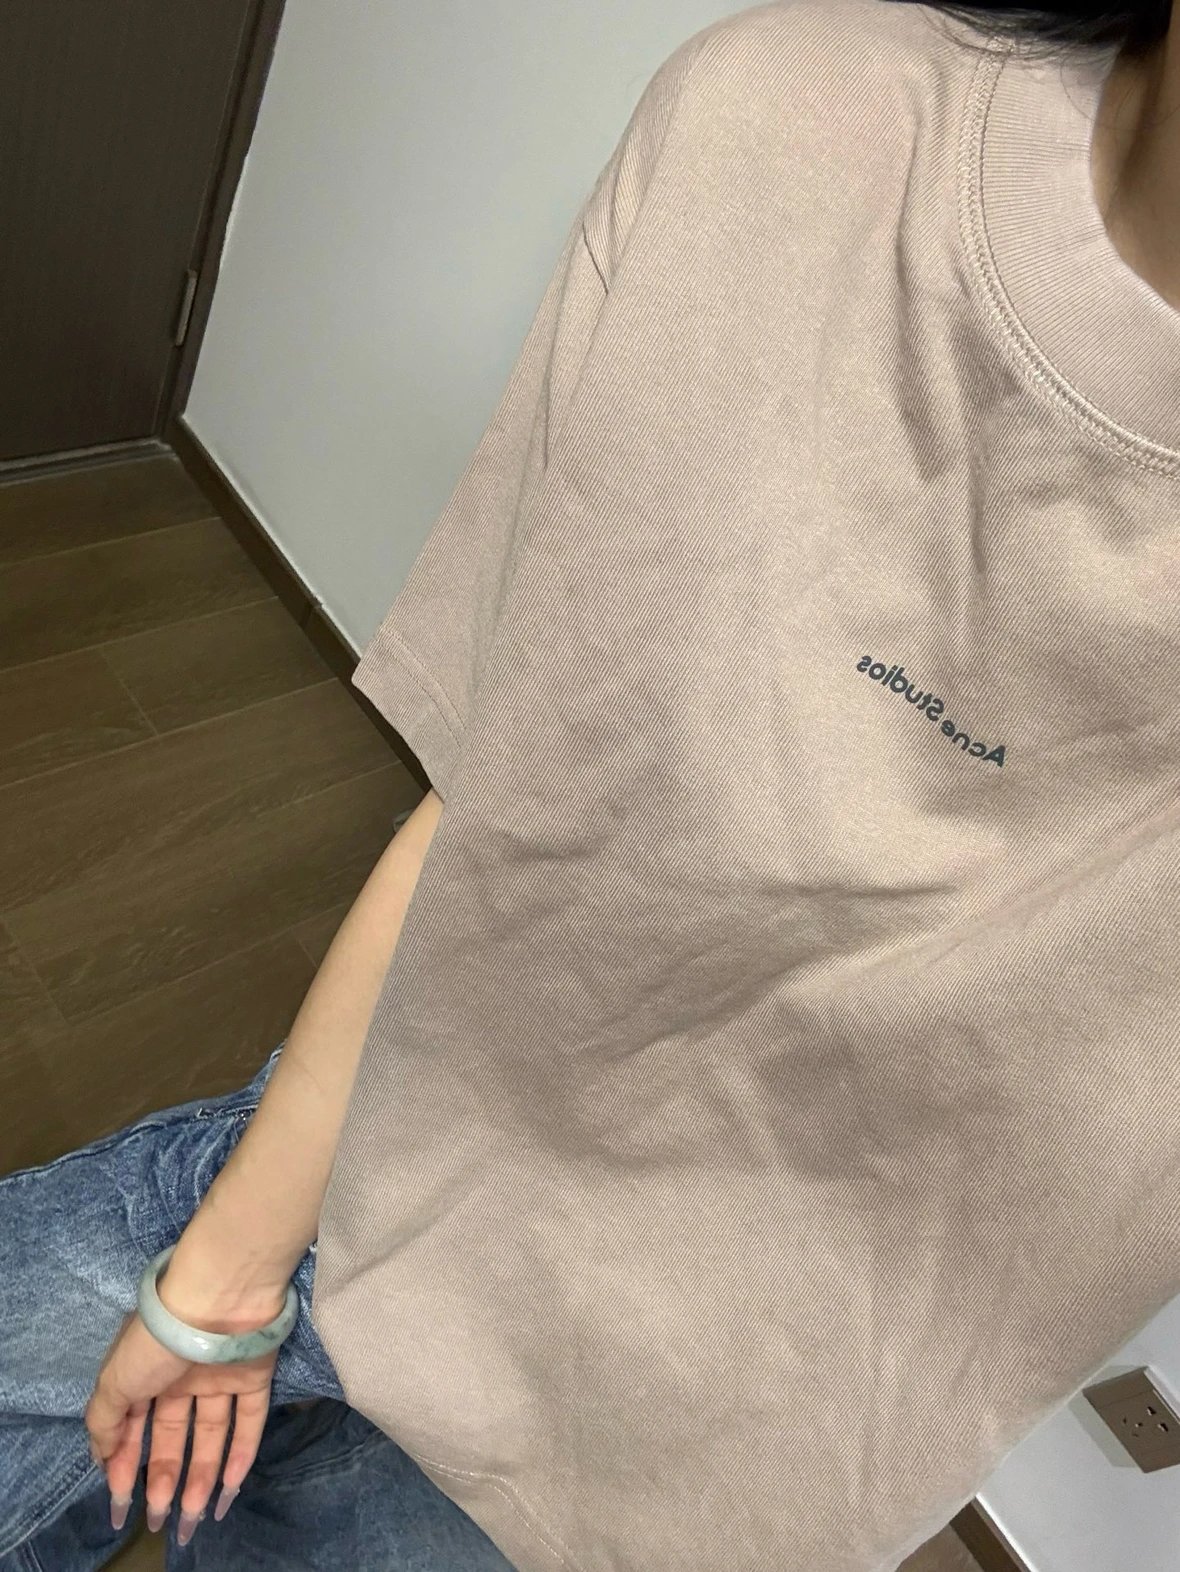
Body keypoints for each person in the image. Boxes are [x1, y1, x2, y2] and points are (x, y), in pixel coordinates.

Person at [3, 0, 1179, 1566]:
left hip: (669, 1460)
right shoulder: (792, 122)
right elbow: (499, 794)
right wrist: (237, 1255)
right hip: (397, 1143)